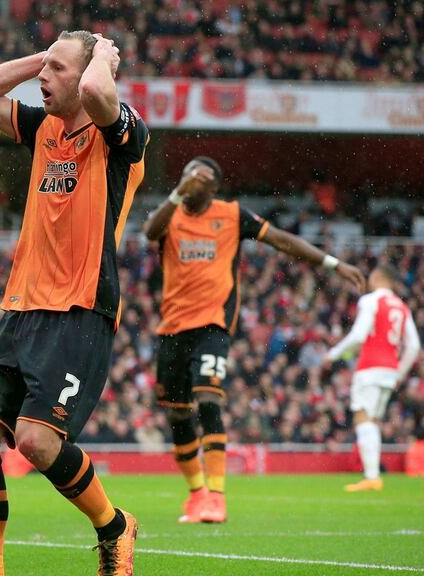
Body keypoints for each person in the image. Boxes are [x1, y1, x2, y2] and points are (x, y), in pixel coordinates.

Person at [0, 31, 147, 576]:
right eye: (46, 66)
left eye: (57, 69)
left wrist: (102, 57)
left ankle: (114, 525)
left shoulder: (121, 136)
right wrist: (43, 57)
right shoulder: (43, 128)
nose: (44, 77)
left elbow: (97, 93)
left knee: (37, 442)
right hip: (23, 304)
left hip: (80, 308)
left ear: (89, 74)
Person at [142, 157, 366, 523]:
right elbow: (150, 232)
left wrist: (333, 264)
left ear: (214, 188)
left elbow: (281, 240)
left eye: (200, 177)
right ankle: (197, 495)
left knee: (208, 401)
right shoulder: (171, 213)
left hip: (212, 324)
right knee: (178, 414)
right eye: (186, 174)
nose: (191, 180)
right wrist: (178, 192)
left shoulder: (231, 215)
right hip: (172, 328)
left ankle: (216, 496)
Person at [326, 264, 420, 492]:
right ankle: (373, 475)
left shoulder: (370, 301)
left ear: (377, 277)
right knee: (373, 421)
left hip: (370, 367)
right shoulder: (401, 306)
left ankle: (372, 477)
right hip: (390, 370)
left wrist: (333, 354)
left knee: (363, 418)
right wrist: (400, 373)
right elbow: (414, 346)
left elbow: (359, 335)